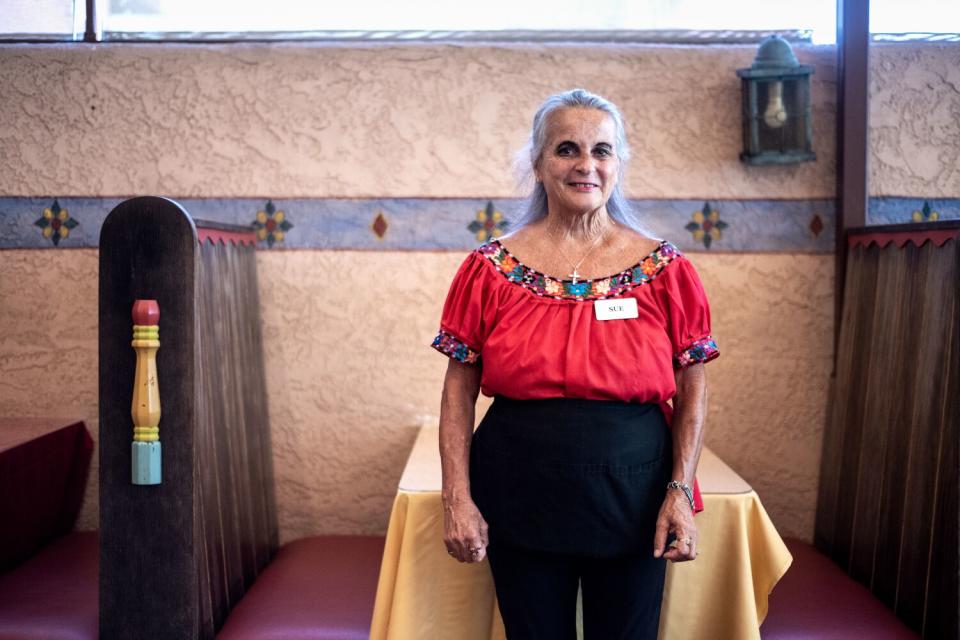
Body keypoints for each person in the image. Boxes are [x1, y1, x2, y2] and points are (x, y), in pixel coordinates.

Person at [432, 88, 719, 639]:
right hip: (518, 494)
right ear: (538, 165)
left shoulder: (666, 269)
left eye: (602, 151)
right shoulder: (489, 268)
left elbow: (692, 386)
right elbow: (458, 389)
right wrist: (458, 498)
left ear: (618, 165)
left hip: (635, 500)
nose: (586, 164)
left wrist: (679, 492)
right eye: (567, 149)